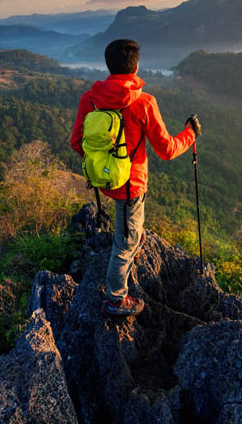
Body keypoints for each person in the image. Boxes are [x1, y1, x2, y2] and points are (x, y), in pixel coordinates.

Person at [70, 39, 201, 317]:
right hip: (132, 186)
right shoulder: (144, 103)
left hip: (105, 181)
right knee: (123, 245)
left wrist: (103, 164)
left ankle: (134, 237)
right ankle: (116, 300)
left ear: (108, 65)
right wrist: (190, 134)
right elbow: (166, 150)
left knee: (130, 229)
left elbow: (76, 142)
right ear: (136, 66)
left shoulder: (90, 99)